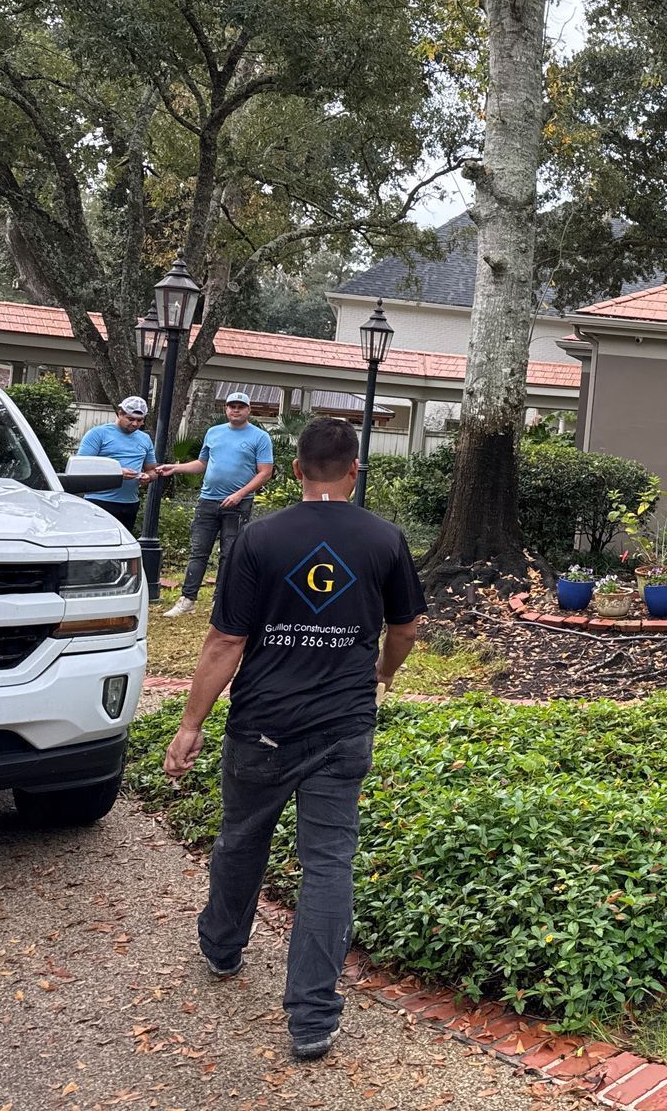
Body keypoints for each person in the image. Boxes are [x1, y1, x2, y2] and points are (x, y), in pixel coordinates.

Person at [162, 416, 425, 1062]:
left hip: (262, 728)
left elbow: (226, 640)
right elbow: (408, 626)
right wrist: (383, 674)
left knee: (242, 838)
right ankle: (312, 1018)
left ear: (299, 470)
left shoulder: (259, 538)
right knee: (329, 865)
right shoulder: (385, 539)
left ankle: (223, 949)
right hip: (343, 728)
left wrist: (190, 724)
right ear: (356, 469)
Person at [157, 390, 274, 616]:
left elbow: (265, 473)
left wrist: (240, 494)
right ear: (226, 409)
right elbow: (202, 463)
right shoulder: (213, 433)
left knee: (229, 554)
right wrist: (175, 468)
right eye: (232, 406)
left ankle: (219, 602)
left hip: (238, 505)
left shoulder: (260, 437)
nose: (236, 410)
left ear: (249, 410)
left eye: (241, 406)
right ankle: (187, 600)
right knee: (198, 551)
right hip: (207, 501)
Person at [75, 396, 160, 531]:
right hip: (99, 501)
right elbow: (81, 467)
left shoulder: (145, 439)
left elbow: (152, 470)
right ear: (120, 414)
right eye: (130, 419)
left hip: (130, 503)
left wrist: (148, 477)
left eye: (139, 421)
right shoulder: (98, 434)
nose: (135, 424)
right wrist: (116, 473)